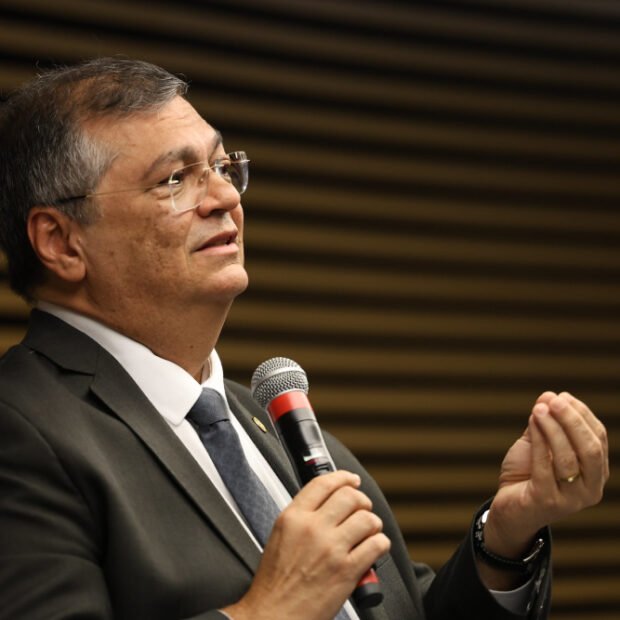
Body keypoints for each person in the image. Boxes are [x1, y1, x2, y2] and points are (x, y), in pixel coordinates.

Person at [0, 57, 608, 620]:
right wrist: (268, 612)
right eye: (175, 179)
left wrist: (504, 537)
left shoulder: (270, 422)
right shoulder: (21, 427)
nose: (224, 199)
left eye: (222, 167)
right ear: (60, 241)